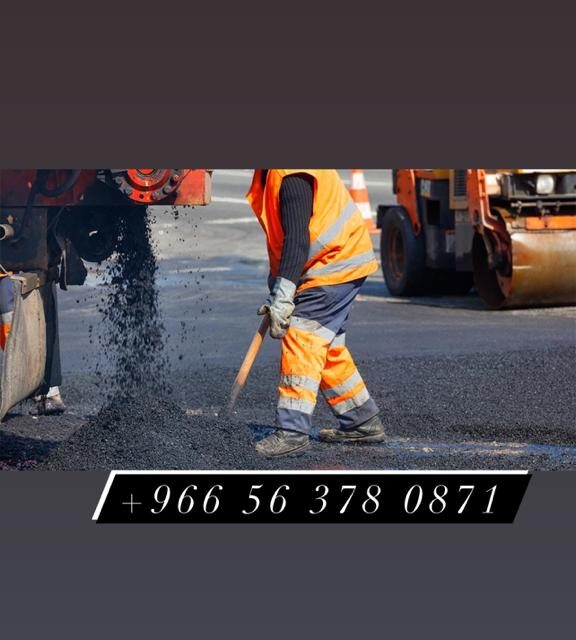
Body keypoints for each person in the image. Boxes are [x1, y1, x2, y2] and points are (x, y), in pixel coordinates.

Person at [246, 169, 386, 457]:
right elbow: (286, 237)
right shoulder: (273, 171)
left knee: (302, 335)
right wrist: (280, 283)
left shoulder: (292, 173)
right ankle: (361, 419)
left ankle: (292, 432)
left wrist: (285, 292)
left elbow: (297, 239)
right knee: (326, 343)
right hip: (335, 258)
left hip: (334, 262)